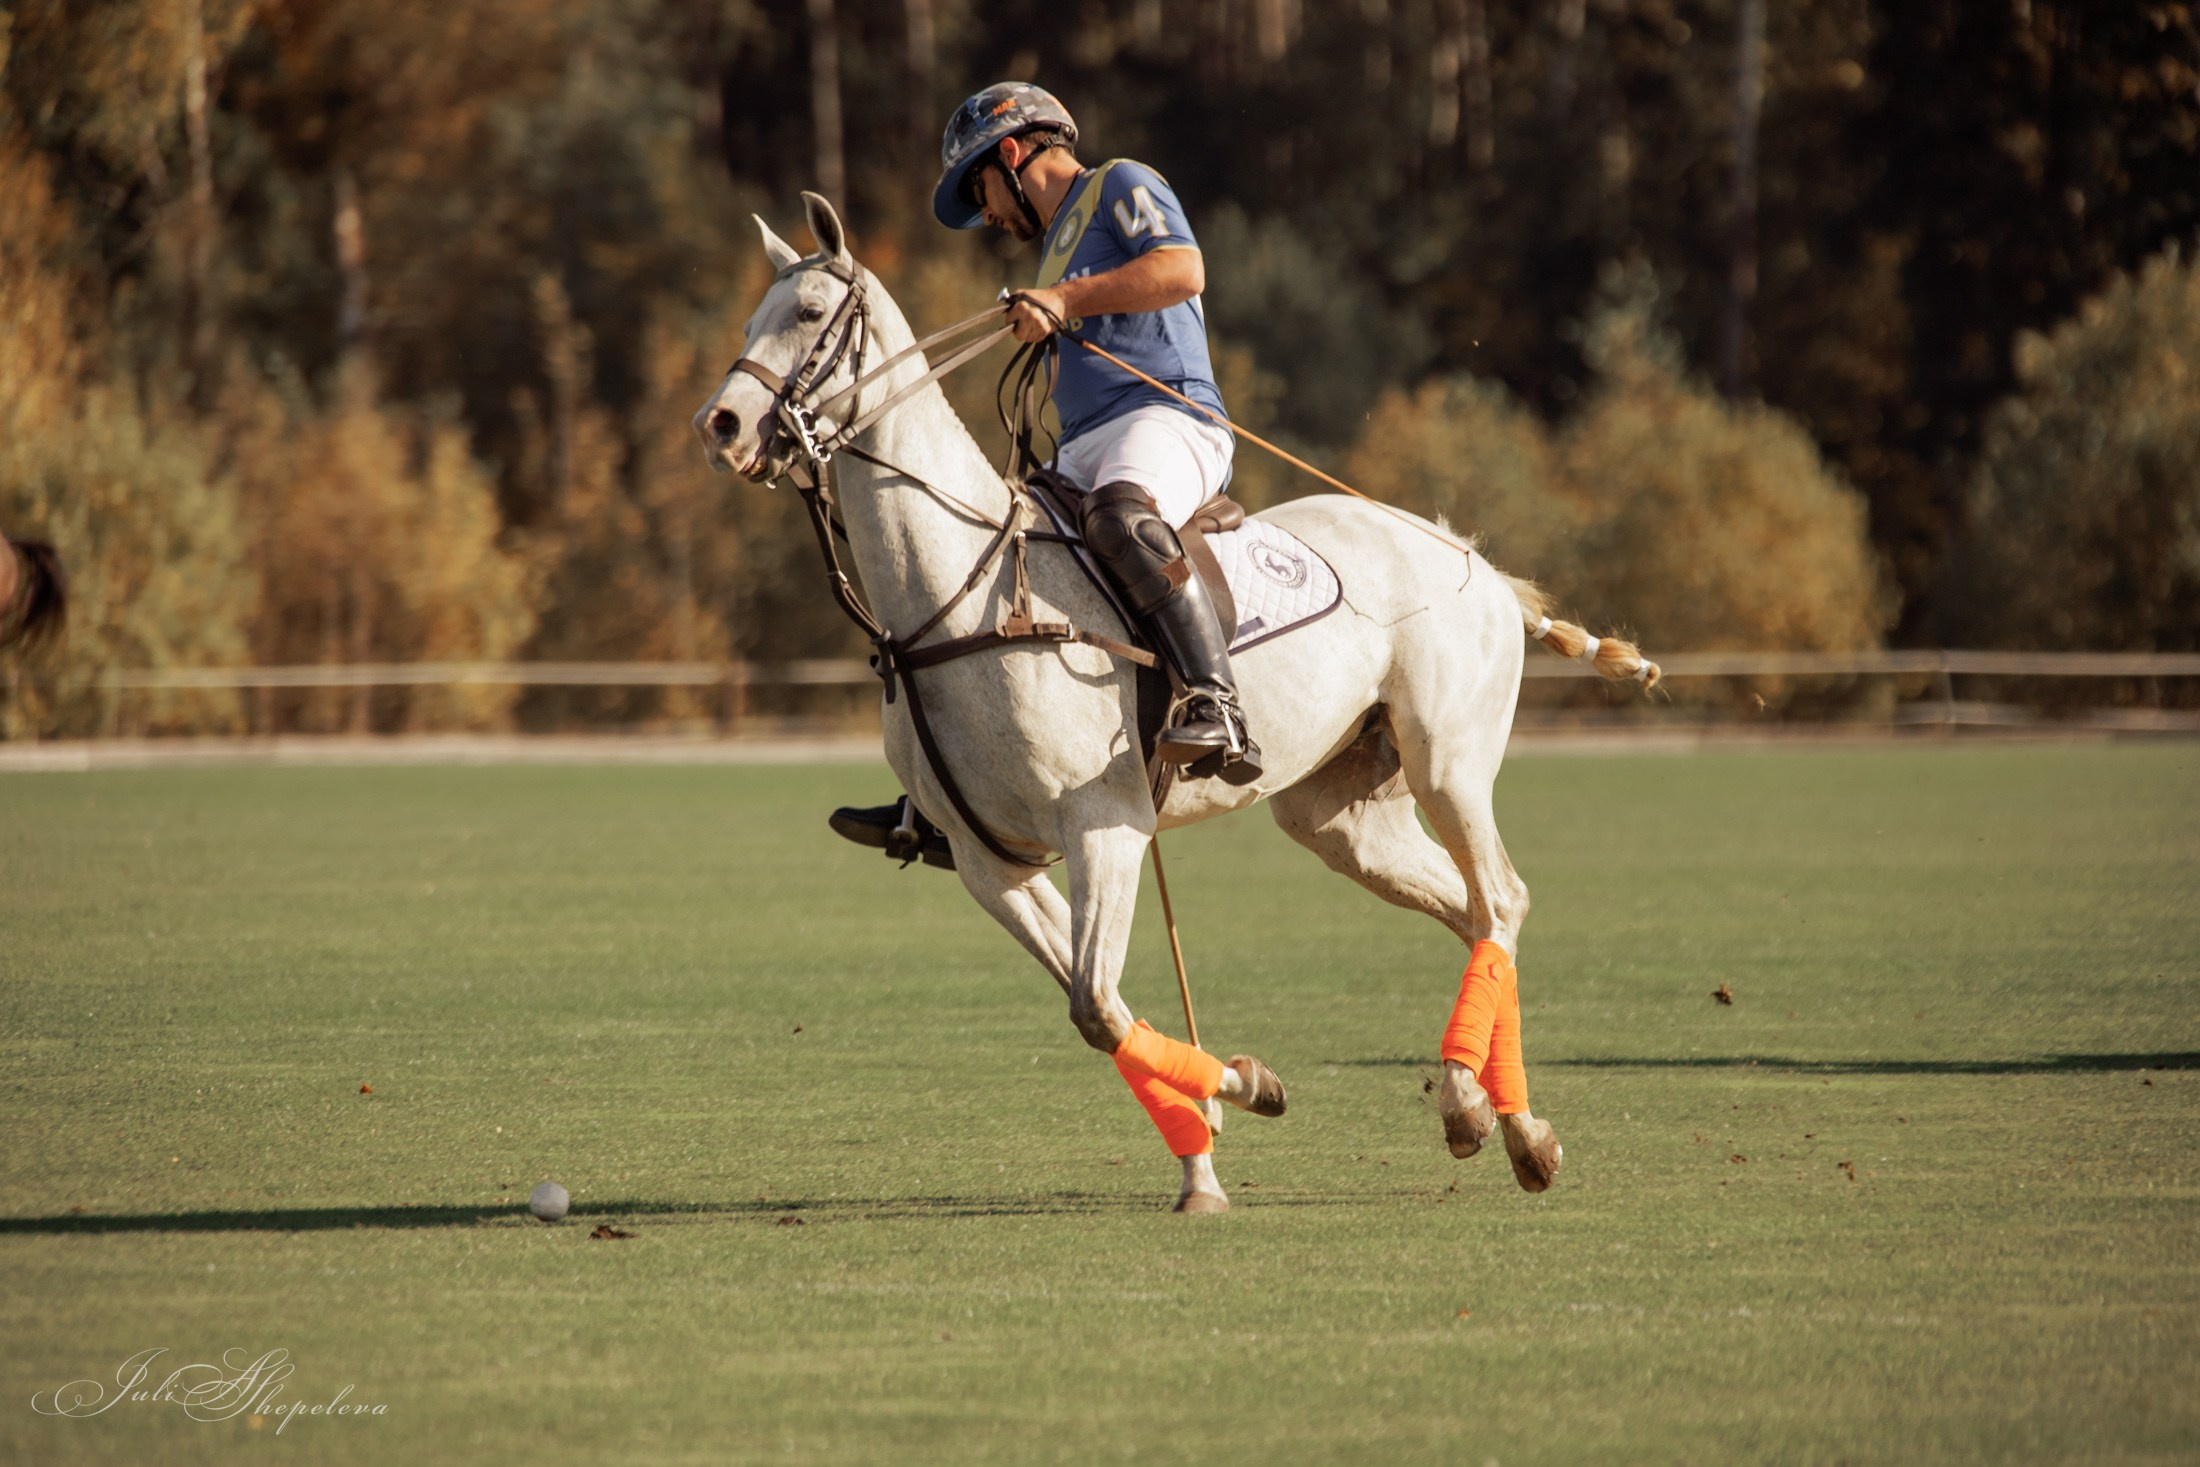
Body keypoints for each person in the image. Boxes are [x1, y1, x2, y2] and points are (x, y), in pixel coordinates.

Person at [832, 82, 1258, 870]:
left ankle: (1216, 701)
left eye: (980, 188)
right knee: (995, 559)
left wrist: (1063, 298)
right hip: (1088, 442)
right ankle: (946, 788)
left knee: (1121, 517)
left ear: (1013, 153)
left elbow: (1182, 268)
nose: (985, 212)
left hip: (1172, 419)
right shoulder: (1055, 245)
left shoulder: (1119, 183)